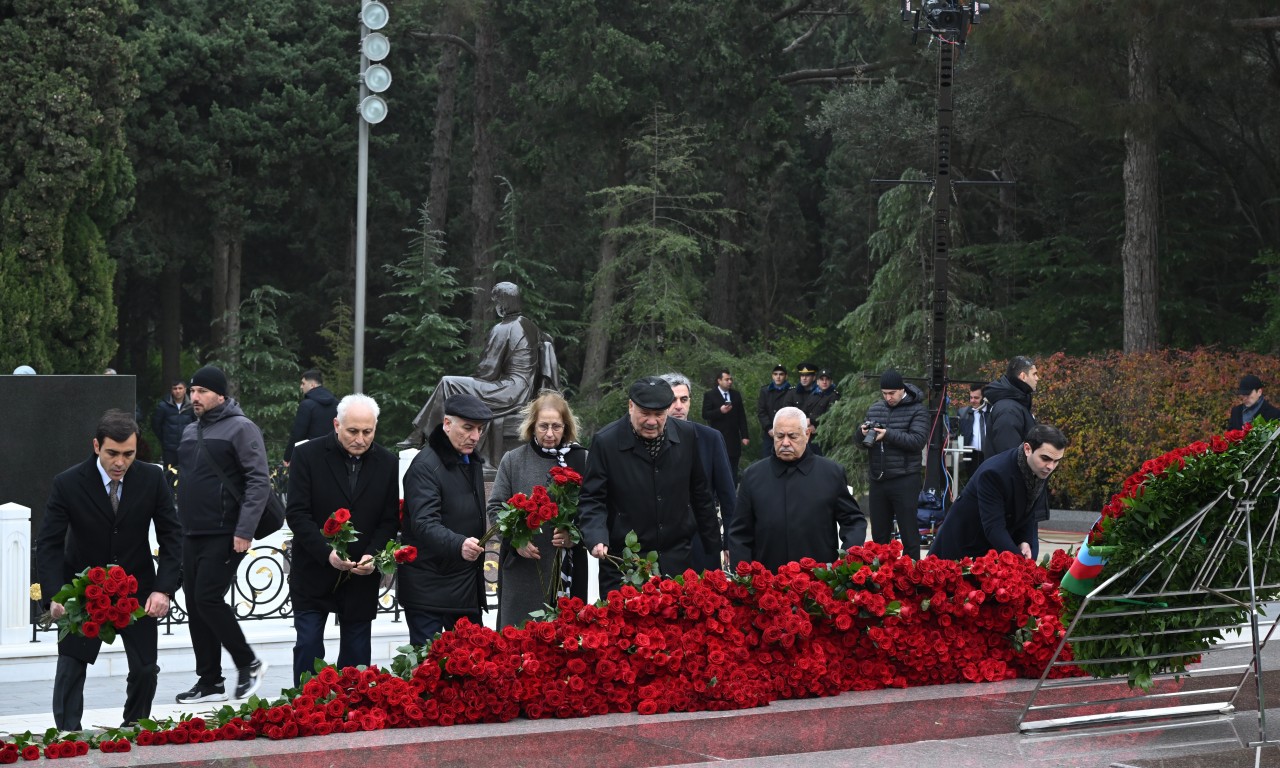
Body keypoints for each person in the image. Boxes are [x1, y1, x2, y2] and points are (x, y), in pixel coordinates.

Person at [35, 409, 181, 731]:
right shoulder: (68, 483)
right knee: (72, 667)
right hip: (82, 591)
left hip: (137, 589)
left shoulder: (152, 478)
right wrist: (55, 595)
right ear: (96, 446)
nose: (120, 462)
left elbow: (173, 536)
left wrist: (163, 588)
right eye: (112, 453)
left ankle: (135, 728)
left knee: (145, 669)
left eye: (128, 454)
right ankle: (67, 735)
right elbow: (48, 544)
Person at [284, 394, 399, 685]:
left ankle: (351, 712)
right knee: (308, 644)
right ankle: (308, 707)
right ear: (336, 424)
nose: (360, 439)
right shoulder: (306, 455)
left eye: (368, 432)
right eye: (353, 431)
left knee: (357, 654)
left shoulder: (387, 462)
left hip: (361, 573)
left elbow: (388, 520)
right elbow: (297, 514)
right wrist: (327, 553)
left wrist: (373, 554)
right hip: (314, 568)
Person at [173, 365, 270, 704]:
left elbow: (258, 481)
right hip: (192, 531)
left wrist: (245, 530)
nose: (194, 397)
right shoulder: (189, 431)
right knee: (195, 604)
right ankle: (210, 680)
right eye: (192, 390)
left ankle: (250, 663)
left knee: (208, 598)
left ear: (220, 395)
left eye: (201, 391)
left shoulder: (242, 428)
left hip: (225, 532)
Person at [579, 376, 720, 594]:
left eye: (659, 414)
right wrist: (596, 535)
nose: (652, 421)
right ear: (630, 407)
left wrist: (713, 547)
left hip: (677, 560)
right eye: (645, 413)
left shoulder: (687, 435)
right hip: (624, 563)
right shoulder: (606, 442)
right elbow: (592, 498)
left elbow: (700, 492)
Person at [398, 283, 543, 450]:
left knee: (449, 382)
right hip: (523, 389)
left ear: (503, 303)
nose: (495, 307)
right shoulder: (530, 326)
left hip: (509, 391)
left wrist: (471, 380)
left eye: (496, 302)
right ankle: (423, 434)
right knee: (454, 384)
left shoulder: (503, 328)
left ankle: (423, 434)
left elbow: (488, 371)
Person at [486, 391, 589, 628]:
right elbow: (495, 508)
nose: (550, 434)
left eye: (557, 426)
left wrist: (574, 535)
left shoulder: (580, 459)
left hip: (565, 570)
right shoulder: (513, 460)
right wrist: (516, 540)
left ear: (566, 427)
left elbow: (593, 508)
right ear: (532, 426)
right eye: (543, 426)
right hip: (522, 570)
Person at [400, 394, 493, 645]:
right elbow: (424, 523)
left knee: (472, 668)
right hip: (429, 588)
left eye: (480, 429)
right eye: (468, 427)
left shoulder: (468, 460)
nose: (475, 436)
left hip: (462, 585)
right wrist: (459, 544)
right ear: (447, 424)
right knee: (429, 671)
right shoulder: (425, 466)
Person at [729, 407, 866, 571]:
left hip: (819, 582)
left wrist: (845, 563)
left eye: (792, 436)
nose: (785, 442)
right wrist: (745, 579)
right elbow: (739, 533)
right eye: (779, 436)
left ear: (807, 435)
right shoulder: (753, 476)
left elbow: (853, 522)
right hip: (767, 584)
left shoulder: (831, 473)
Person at [929, 424, 1068, 561]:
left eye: (1056, 461)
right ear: (1027, 449)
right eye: (1045, 459)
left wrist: (1024, 541)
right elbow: (994, 527)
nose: (1051, 466)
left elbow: (1029, 509)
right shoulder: (994, 473)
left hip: (994, 545)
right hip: (962, 547)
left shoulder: (1039, 467)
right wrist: (1020, 563)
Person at [660, 372, 735, 572]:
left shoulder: (710, 438)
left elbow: (728, 496)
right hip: (662, 544)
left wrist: (730, 542)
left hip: (703, 541)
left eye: (684, 399)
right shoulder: (650, 439)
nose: (678, 406)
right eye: (672, 400)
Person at [858, 369, 929, 558]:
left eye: (892, 393)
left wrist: (887, 434)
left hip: (905, 478)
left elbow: (917, 441)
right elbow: (860, 444)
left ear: (902, 389)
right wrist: (862, 433)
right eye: (884, 394)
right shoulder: (875, 409)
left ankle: (912, 573)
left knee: (909, 532)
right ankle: (882, 576)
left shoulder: (918, 410)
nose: (888, 397)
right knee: (879, 534)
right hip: (879, 478)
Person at [701, 369, 749, 483]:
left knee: (733, 468)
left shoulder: (735, 395)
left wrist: (745, 435)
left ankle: (732, 495)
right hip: (718, 436)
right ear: (719, 380)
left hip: (733, 438)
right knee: (718, 466)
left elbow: (741, 416)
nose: (729, 382)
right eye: (726, 379)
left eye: (730, 379)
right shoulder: (710, 395)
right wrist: (720, 411)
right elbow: (705, 414)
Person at [984, 356, 1038, 456]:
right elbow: (1008, 455)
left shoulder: (1017, 404)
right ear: (1023, 376)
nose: (1037, 378)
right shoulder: (1008, 410)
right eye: (1034, 374)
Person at [284, 369, 339, 465]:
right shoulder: (338, 404)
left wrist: (288, 456)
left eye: (303, 383)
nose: (301, 387)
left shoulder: (307, 405)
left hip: (311, 456)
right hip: (334, 455)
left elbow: (298, 433)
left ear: (312, 385)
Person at [150, 379, 194, 486]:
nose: (177, 391)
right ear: (171, 390)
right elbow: (156, 424)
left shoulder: (191, 406)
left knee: (187, 473)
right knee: (170, 473)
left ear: (185, 390)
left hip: (187, 446)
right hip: (169, 448)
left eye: (180, 388)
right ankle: (169, 497)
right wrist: (164, 438)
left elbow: (196, 424)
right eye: (175, 388)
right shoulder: (163, 406)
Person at [756, 364, 797, 458]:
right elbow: (761, 411)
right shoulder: (765, 391)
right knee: (766, 459)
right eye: (775, 374)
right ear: (772, 375)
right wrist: (769, 428)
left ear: (786, 376)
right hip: (769, 432)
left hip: (786, 432)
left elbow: (793, 412)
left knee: (786, 457)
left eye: (781, 374)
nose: (778, 377)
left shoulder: (792, 391)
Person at [803, 368, 841, 454]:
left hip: (824, 438)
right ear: (817, 382)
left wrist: (812, 421)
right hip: (808, 435)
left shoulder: (834, 396)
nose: (824, 382)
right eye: (822, 379)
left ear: (831, 381)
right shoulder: (813, 395)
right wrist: (808, 425)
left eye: (827, 379)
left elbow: (830, 417)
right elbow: (804, 412)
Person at [956, 382, 988, 480]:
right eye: (971, 397)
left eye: (976, 398)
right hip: (971, 455)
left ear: (984, 398)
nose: (973, 401)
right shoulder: (963, 413)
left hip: (988, 455)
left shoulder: (993, 412)